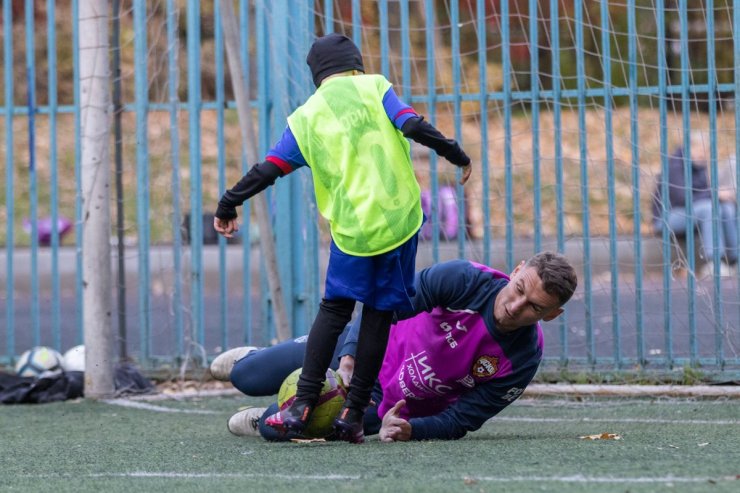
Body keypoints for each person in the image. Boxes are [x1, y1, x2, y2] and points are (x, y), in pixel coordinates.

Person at [213, 33, 472, 443]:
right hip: (399, 221)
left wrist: (229, 203)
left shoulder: (307, 115)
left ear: (317, 75)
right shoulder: (375, 86)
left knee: (333, 312)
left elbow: (270, 168)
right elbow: (412, 124)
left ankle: (301, 405)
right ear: (356, 64)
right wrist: (455, 153)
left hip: (354, 233)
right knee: (378, 314)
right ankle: (353, 414)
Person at [211, 252, 577, 442]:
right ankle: (252, 357)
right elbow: (383, 307)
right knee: (245, 376)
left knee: (272, 429)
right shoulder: (463, 279)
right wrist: (351, 354)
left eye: (535, 307)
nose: (516, 306)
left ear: (552, 315)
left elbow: (464, 419)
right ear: (515, 271)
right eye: (519, 290)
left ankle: (270, 413)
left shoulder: (522, 359)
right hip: (353, 351)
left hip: (380, 402)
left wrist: (410, 430)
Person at [651, 133, 738, 277]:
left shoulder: (699, 166)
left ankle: (735, 259)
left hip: (691, 213)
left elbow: (703, 193)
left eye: (706, 151)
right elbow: (682, 197)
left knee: (726, 208)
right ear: (688, 148)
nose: (704, 155)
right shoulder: (674, 165)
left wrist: (717, 195)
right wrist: (714, 193)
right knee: (709, 208)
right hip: (667, 218)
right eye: (700, 150)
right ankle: (714, 262)